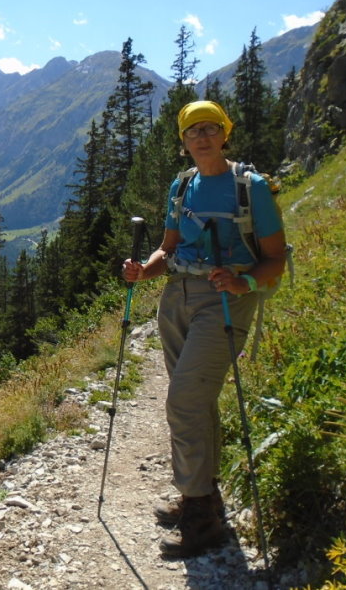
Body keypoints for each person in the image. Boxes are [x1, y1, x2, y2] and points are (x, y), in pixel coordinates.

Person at [122, 100, 286, 558]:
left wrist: (243, 281)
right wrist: (143, 271)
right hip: (179, 297)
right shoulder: (183, 186)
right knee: (195, 399)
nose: (202, 137)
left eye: (211, 128)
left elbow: (276, 258)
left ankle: (199, 516)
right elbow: (167, 248)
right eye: (193, 131)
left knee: (186, 400)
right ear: (183, 141)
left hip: (226, 301)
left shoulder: (251, 188)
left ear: (225, 133)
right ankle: (206, 496)